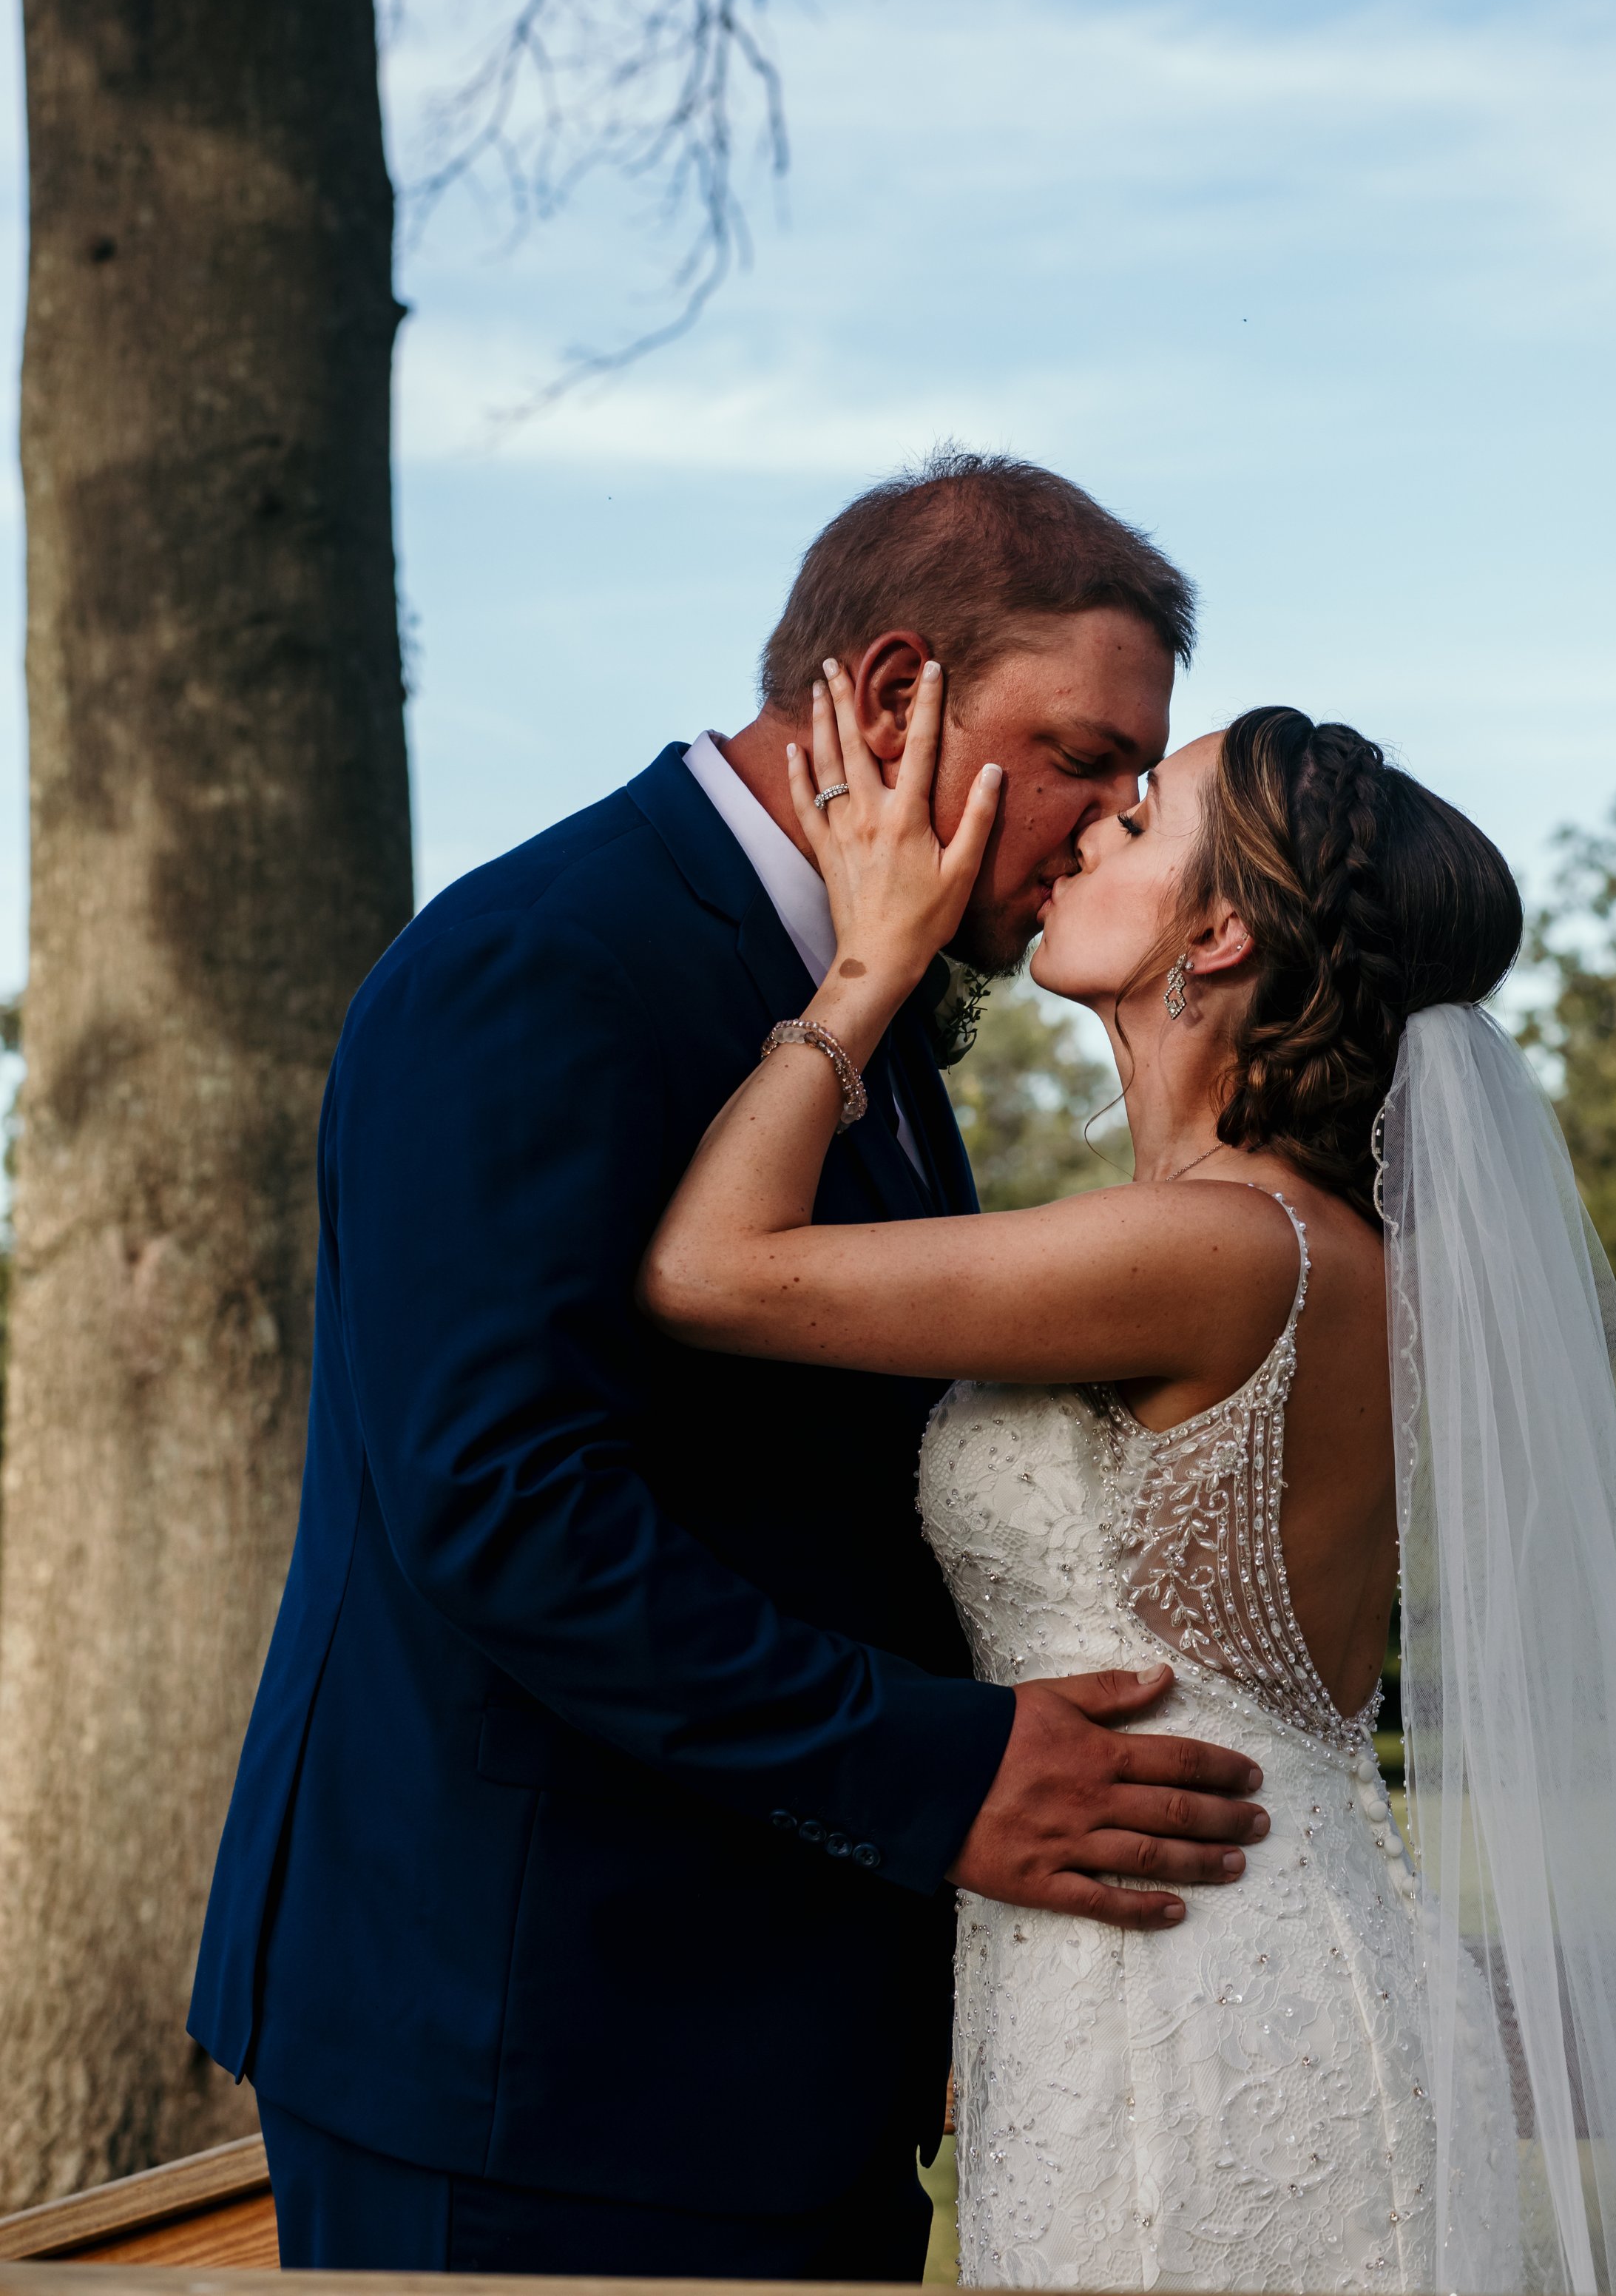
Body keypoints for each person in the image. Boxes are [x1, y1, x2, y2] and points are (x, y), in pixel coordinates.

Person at [186, 451, 1274, 2280]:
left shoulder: (881, 1010)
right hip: (523, 2052)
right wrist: (937, 1778)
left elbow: (840, 1502)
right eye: (1084, 755)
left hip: (781, 2055)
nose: (1101, 826)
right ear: (888, 692)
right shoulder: (544, 961)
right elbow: (501, 1506)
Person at [643, 669, 1616, 2295]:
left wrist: (865, 970)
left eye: (1135, 820)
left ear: (1211, 940)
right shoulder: (1302, 1246)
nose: (1073, 840)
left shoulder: (1209, 1247)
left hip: (1193, 1998)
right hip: (1192, 1951)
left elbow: (710, 1270)